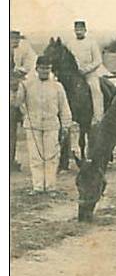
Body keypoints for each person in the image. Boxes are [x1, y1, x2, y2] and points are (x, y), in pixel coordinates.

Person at [16, 56, 73, 195]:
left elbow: (64, 107)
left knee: (51, 157)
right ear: (37, 68)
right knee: (35, 157)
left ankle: (51, 186)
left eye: (47, 69)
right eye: (42, 68)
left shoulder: (57, 86)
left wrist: (66, 125)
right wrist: (15, 88)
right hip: (33, 125)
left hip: (51, 125)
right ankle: (38, 186)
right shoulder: (27, 84)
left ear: (50, 69)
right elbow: (17, 103)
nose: (44, 71)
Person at [66, 20, 108, 123]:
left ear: (85, 30)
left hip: (90, 74)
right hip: (74, 75)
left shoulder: (91, 43)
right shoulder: (70, 44)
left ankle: (98, 117)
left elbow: (98, 60)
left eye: (81, 29)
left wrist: (86, 70)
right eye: (77, 29)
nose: (79, 31)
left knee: (96, 90)